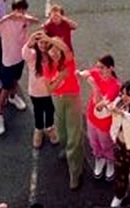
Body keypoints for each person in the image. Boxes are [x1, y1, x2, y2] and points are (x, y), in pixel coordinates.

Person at [95, 79, 130, 208]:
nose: (123, 97)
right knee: (120, 171)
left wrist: (122, 113)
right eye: (122, 93)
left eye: (127, 94)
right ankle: (120, 194)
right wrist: (100, 108)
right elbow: (103, 114)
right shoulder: (118, 103)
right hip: (119, 144)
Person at [0, 0, 37, 135]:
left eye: (23, 10)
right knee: (5, 88)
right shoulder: (6, 23)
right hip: (8, 61)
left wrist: (23, 16)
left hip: (20, 57)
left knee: (16, 80)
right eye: (18, 10)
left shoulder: (25, 19)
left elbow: (36, 21)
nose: (21, 13)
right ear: (13, 10)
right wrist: (7, 17)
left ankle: (13, 97)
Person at [45, 36, 85, 190]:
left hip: (72, 98)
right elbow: (50, 89)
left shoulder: (68, 60)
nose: (54, 52)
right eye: (51, 49)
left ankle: (75, 172)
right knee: (62, 130)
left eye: (56, 49)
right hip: (58, 99)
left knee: (74, 136)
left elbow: (66, 49)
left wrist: (50, 38)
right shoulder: (48, 66)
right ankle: (66, 149)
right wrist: (61, 76)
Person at [81, 54, 121, 180]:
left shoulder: (115, 86)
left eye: (102, 67)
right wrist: (81, 73)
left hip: (105, 122)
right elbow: (85, 73)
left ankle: (110, 161)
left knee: (106, 144)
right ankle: (99, 158)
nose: (99, 70)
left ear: (111, 68)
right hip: (91, 118)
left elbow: (100, 106)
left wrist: (95, 87)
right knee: (93, 142)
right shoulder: (96, 73)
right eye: (98, 67)